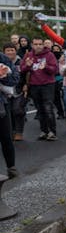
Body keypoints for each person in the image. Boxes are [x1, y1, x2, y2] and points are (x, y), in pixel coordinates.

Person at [20, 37, 58, 141]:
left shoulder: (49, 55)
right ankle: (44, 131)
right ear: (32, 45)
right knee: (40, 109)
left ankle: (52, 131)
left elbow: (55, 70)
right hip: (34, 85)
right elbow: (22, 69)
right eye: (36, 44)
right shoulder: (28, 55)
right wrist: (27, 66)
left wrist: (46, 67)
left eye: (40, 44)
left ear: (43, 45)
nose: (38, 46)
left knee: (48, 108)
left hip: (48, 85)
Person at [0, 46, 19, 177]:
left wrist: (3, 76)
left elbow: (15, 79)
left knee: (6, 137)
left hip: (1, 105)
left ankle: (11, 167)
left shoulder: (3, 59)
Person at [3, 43, 27, 142]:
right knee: (8, 112)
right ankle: (11, 131)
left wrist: (26, 85)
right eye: (7, 50)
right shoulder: (2, 62)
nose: (10, 52)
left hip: (19, 90)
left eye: (12, 50)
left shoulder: (20, 61)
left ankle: (19, 132)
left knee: (18, 110)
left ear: (15, 51)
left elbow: (27, 73)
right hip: (5, 91)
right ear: (4, 52)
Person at [51, 44, 66, 119]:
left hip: (63, 79)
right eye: (54, 49)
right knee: (56, 98)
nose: (55, 51)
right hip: (53, 79)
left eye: (57, 49)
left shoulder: (64, 57)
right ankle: (60, 112)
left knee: (65, 97)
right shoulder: (51, 58)